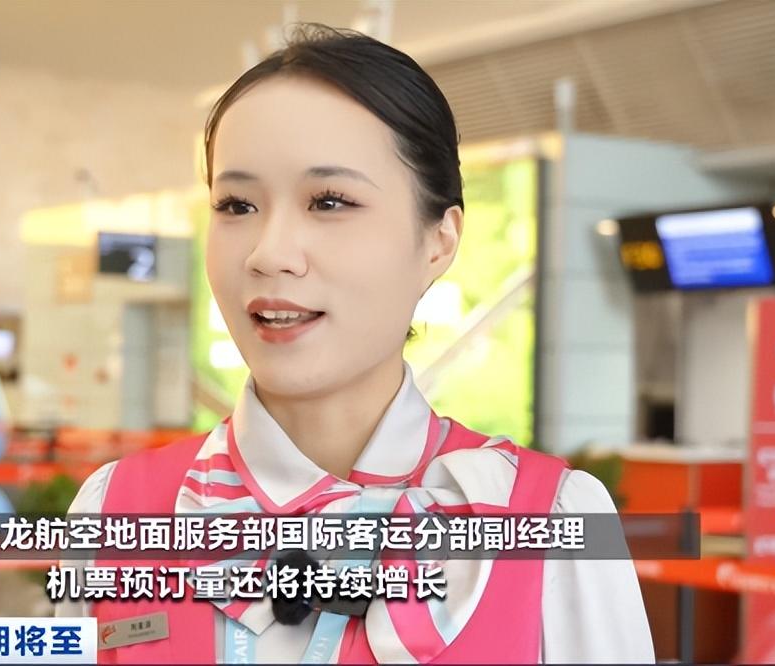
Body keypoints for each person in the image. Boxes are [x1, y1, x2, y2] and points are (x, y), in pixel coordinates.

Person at [59, 24, 654, 664]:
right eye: (236, 205)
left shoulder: (549, 524)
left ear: (439, 241)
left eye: (329, 201)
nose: (269, 254)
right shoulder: (114, 511)